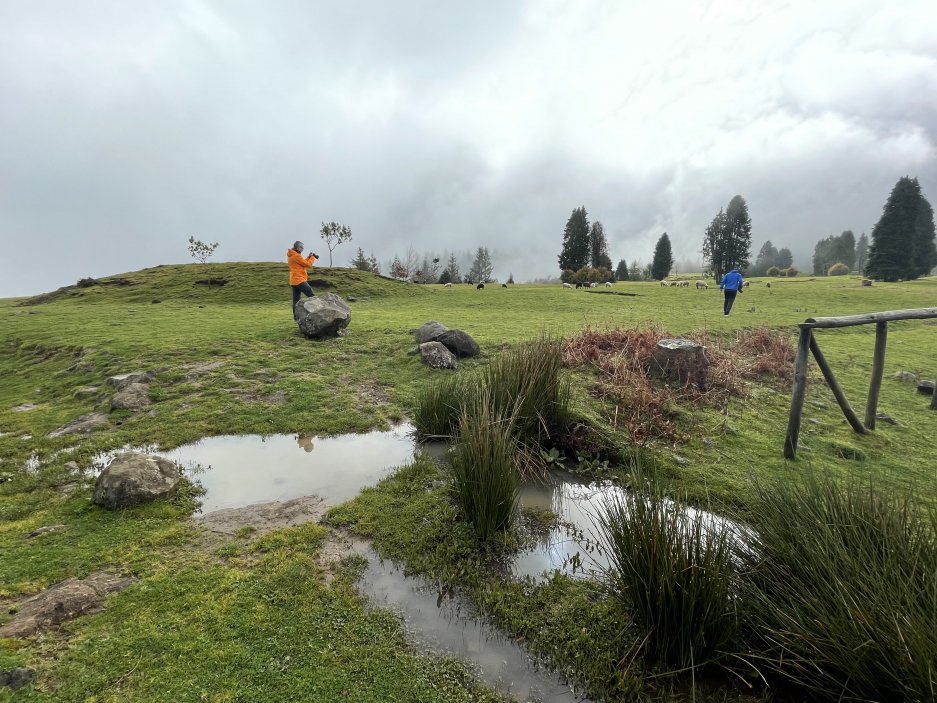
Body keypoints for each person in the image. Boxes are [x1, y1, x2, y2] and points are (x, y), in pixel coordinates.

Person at [287, 241, 319, 317]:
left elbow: (302, 263)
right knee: (311, 295)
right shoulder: (296, 256)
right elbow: (308, 265)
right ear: (298, 247)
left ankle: (296, 316)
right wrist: (313, 257)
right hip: (299, 280)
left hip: (294, 281)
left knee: (296, 300)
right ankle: (319, 311)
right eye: (302, 248)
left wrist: (308, 257)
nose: (303, 249)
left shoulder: (292, 255)